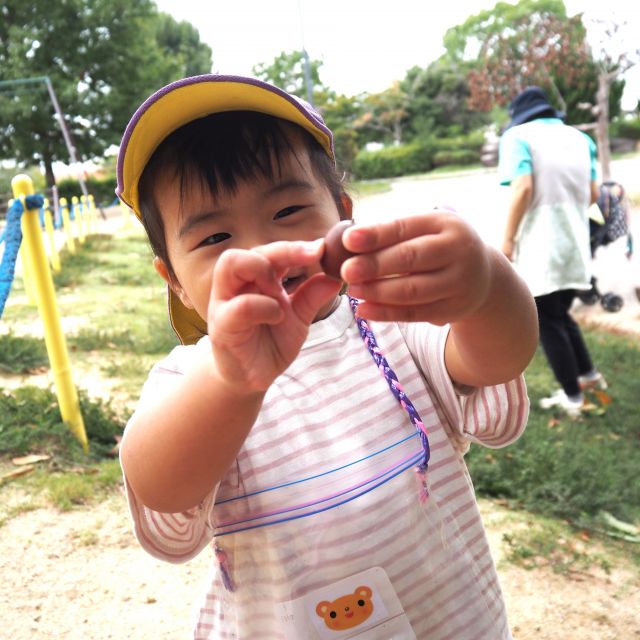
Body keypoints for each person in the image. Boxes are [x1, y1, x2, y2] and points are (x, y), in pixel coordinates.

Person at [117, 74, 538, 639]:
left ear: (343, 213)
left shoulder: (392, 325)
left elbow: (494, 360)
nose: (262, 248)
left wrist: (487, 287)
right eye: (214, 238)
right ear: (176, 282)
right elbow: (160, 488)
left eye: (288, 209)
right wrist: (230, 380)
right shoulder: (192, 380)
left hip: (454, 621)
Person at [498, 86, 607, 418]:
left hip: (541, 245)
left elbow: (523, 188)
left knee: (545, 319)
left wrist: (508, 240)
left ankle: (572, 397)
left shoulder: (517, 137)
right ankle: (589, 376)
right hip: (575, 241)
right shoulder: (580, 139)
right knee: (561, 312)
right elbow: (592, 194)